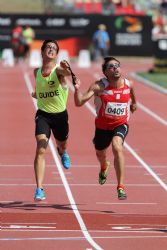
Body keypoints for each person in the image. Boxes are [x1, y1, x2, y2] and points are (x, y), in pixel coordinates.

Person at [73, 56, 137, 200]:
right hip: (102, 126)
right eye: (111, 66)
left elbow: (132, 94)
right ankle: (104, 166)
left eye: (117, 65)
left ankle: (121, 186)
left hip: (120, 124)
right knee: (100, 154)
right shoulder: (99, 86)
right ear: (105, 73)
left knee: (117, 146)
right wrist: (77, 89)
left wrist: (134, 104)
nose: (115, 68)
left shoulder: (129, 84)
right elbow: (79, 102)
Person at [31, 40, 72, 201]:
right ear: (42, 52)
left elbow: (66, 73)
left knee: (62, 143)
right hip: (43, 115)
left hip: (60, 116)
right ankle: (39, 188)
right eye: (48, 47)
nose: (51, 49)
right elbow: (41, 89)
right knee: (41, 148)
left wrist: (67, 68)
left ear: (56, 54)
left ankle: (63, 152)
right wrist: (37, 94)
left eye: (54, 48)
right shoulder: (36, 72)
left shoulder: (59, 71)